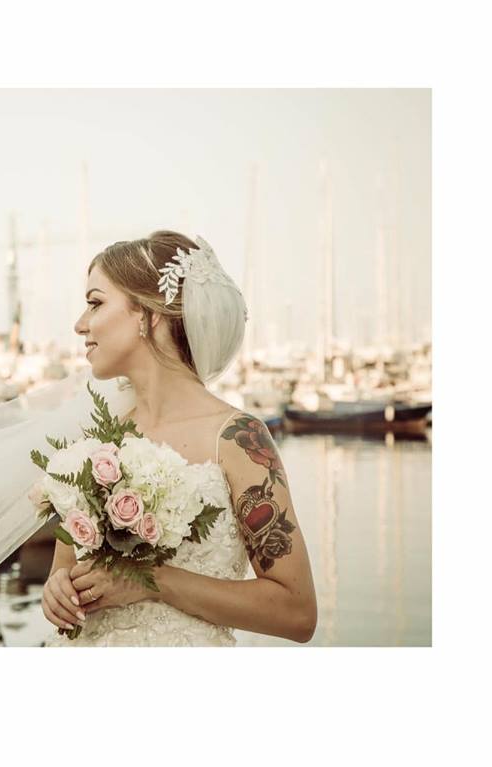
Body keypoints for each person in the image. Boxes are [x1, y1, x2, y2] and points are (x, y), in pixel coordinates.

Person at [42, 231, 317, 646]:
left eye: (96, 303)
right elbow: (63, 572)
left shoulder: (238, 440)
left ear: (147, 314)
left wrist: (152, 581)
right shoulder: (95, 442)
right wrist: (58, 592)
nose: (80, 324)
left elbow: (297, 613)